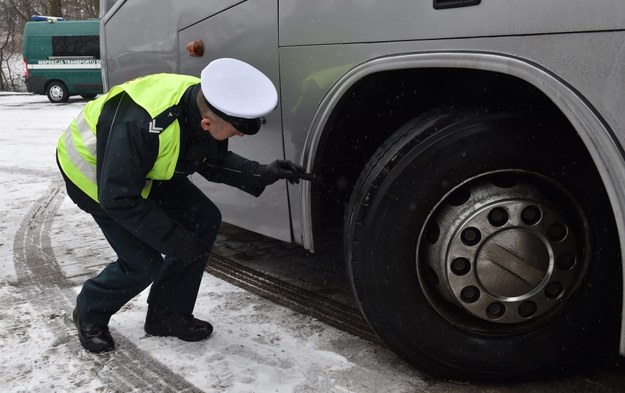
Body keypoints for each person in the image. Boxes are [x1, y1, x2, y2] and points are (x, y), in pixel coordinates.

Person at [56, 58, 308, 353]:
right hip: (96, 180)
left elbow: (209, 159)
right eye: (236, 130)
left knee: (203, 220)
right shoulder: (143, 123)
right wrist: (175, 239)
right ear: (207, 122)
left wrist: (263, 173)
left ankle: (167, 314)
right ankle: (89, 311)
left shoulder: (204, 102)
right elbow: (119, 198)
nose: (239, 135)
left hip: (142, 170)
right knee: (143, 263)